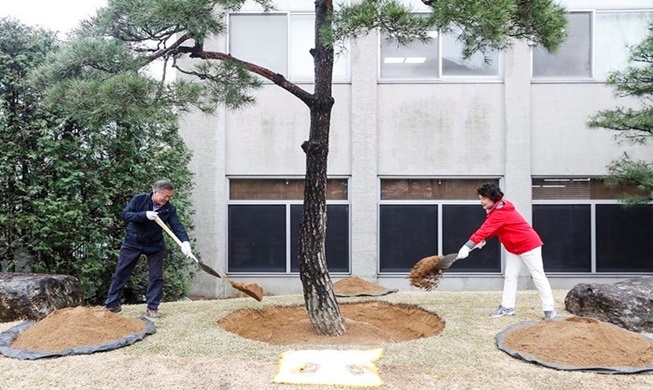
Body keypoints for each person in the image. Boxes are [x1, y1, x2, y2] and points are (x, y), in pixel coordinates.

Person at [455, 183, 556, 320]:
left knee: (538, 276)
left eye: (483, 198)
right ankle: (507, 307)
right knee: (510, 276)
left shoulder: (501, 211)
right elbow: (494, 229)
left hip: (528, 246)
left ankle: (549, 309)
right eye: (480, 198)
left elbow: (484, 230)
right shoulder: (496, 210)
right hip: (513, 248)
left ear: (492, 198)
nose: (481, 202)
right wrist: (481, 241)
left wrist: (467, 246)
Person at [104, 180, 192, 318]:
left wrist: (185, 242)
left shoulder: (169, 209)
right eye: (165, 196)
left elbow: (177, 226)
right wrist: (144, 215)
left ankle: (152, 307)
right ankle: (112, 305)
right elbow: (126, 215)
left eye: (170, 197)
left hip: (154, 245)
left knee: (156, 277)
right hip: (133, 242)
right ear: (155, 192)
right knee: (121, 273)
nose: (167, 199)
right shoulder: (139, 199)